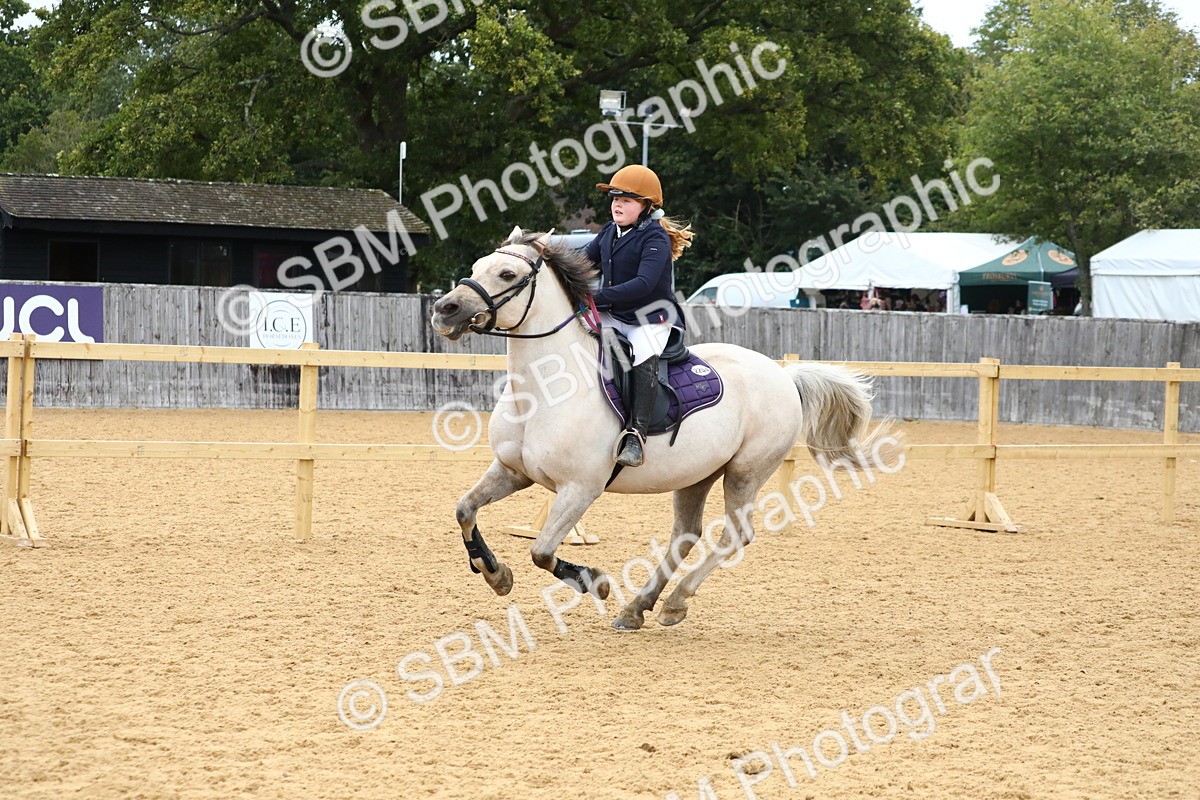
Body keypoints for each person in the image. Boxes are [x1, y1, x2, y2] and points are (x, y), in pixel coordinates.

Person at [585, 165, 694, 467]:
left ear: (646, 207)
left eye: (627, 200)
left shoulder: (654, 238)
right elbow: (582, 262)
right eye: (615, 198)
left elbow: (643, 284)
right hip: (615, 313)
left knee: (643, 353)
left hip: (651, 318)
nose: (617, 204)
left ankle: (636, 433)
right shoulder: (609, 232)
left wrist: (596, 297)